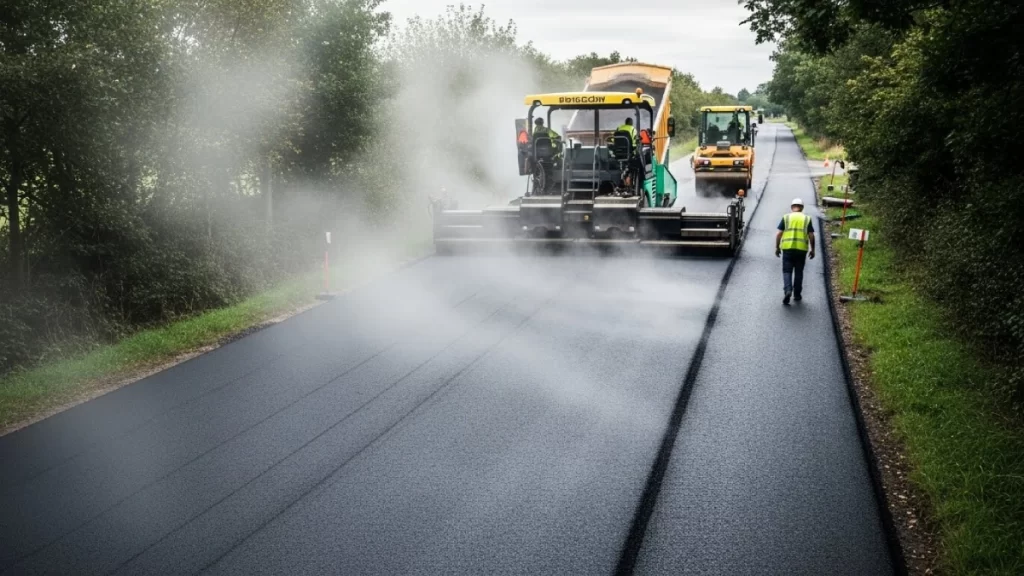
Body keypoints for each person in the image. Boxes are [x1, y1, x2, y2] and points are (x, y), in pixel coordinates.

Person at [775, 197, 815, 304]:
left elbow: (779, 233)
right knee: (799, 272)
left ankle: (788, 290)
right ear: (802, 208)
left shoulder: (786, 217)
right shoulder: (807, 218)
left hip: (788, 249)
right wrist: (813, 249)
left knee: (787, 271)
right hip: (801, 250)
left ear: (792, 207)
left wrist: (777, 247)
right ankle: (797, 295)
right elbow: (811, 235)